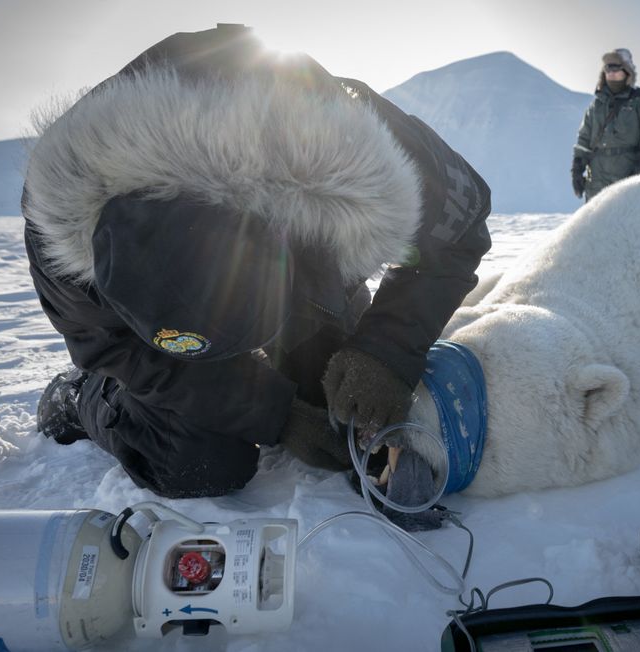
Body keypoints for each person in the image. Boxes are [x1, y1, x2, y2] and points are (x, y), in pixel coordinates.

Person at [25, 24, 491, 498]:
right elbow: (113, 346)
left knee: (337, 393)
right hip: (166, 270)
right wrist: (275, 414)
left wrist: (386, 351)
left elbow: (462, 230)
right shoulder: (64, 239)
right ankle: (83, 398)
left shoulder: (363, 159)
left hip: (299, 207)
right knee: (196, 461)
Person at [571, 49, 640, 202]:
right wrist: (577, 168)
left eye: (616, 68)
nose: (611, 72)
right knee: (595, 222)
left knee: (626, 222)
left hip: (627, 174)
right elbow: (584, 138)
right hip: (596, 178)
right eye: (607, 68)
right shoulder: (596, 106)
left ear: (627, 72)